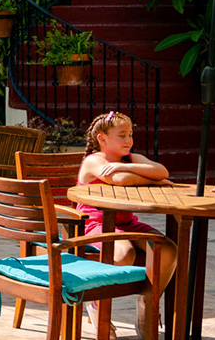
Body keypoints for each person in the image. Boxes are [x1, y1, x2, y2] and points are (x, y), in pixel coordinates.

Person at [75, 112, 176, 288]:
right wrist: (154, 181)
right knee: (124, 253)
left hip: (127, 224)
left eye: (130, 135)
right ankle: (97, 302)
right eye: (122, 136)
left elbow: (162, 171)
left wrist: (125, 166)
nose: (128, 140)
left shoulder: (128, 159)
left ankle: (148, 303)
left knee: (168, 249)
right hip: (96, 225)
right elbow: (121, 180)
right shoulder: (94, 160)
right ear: (102, 139)